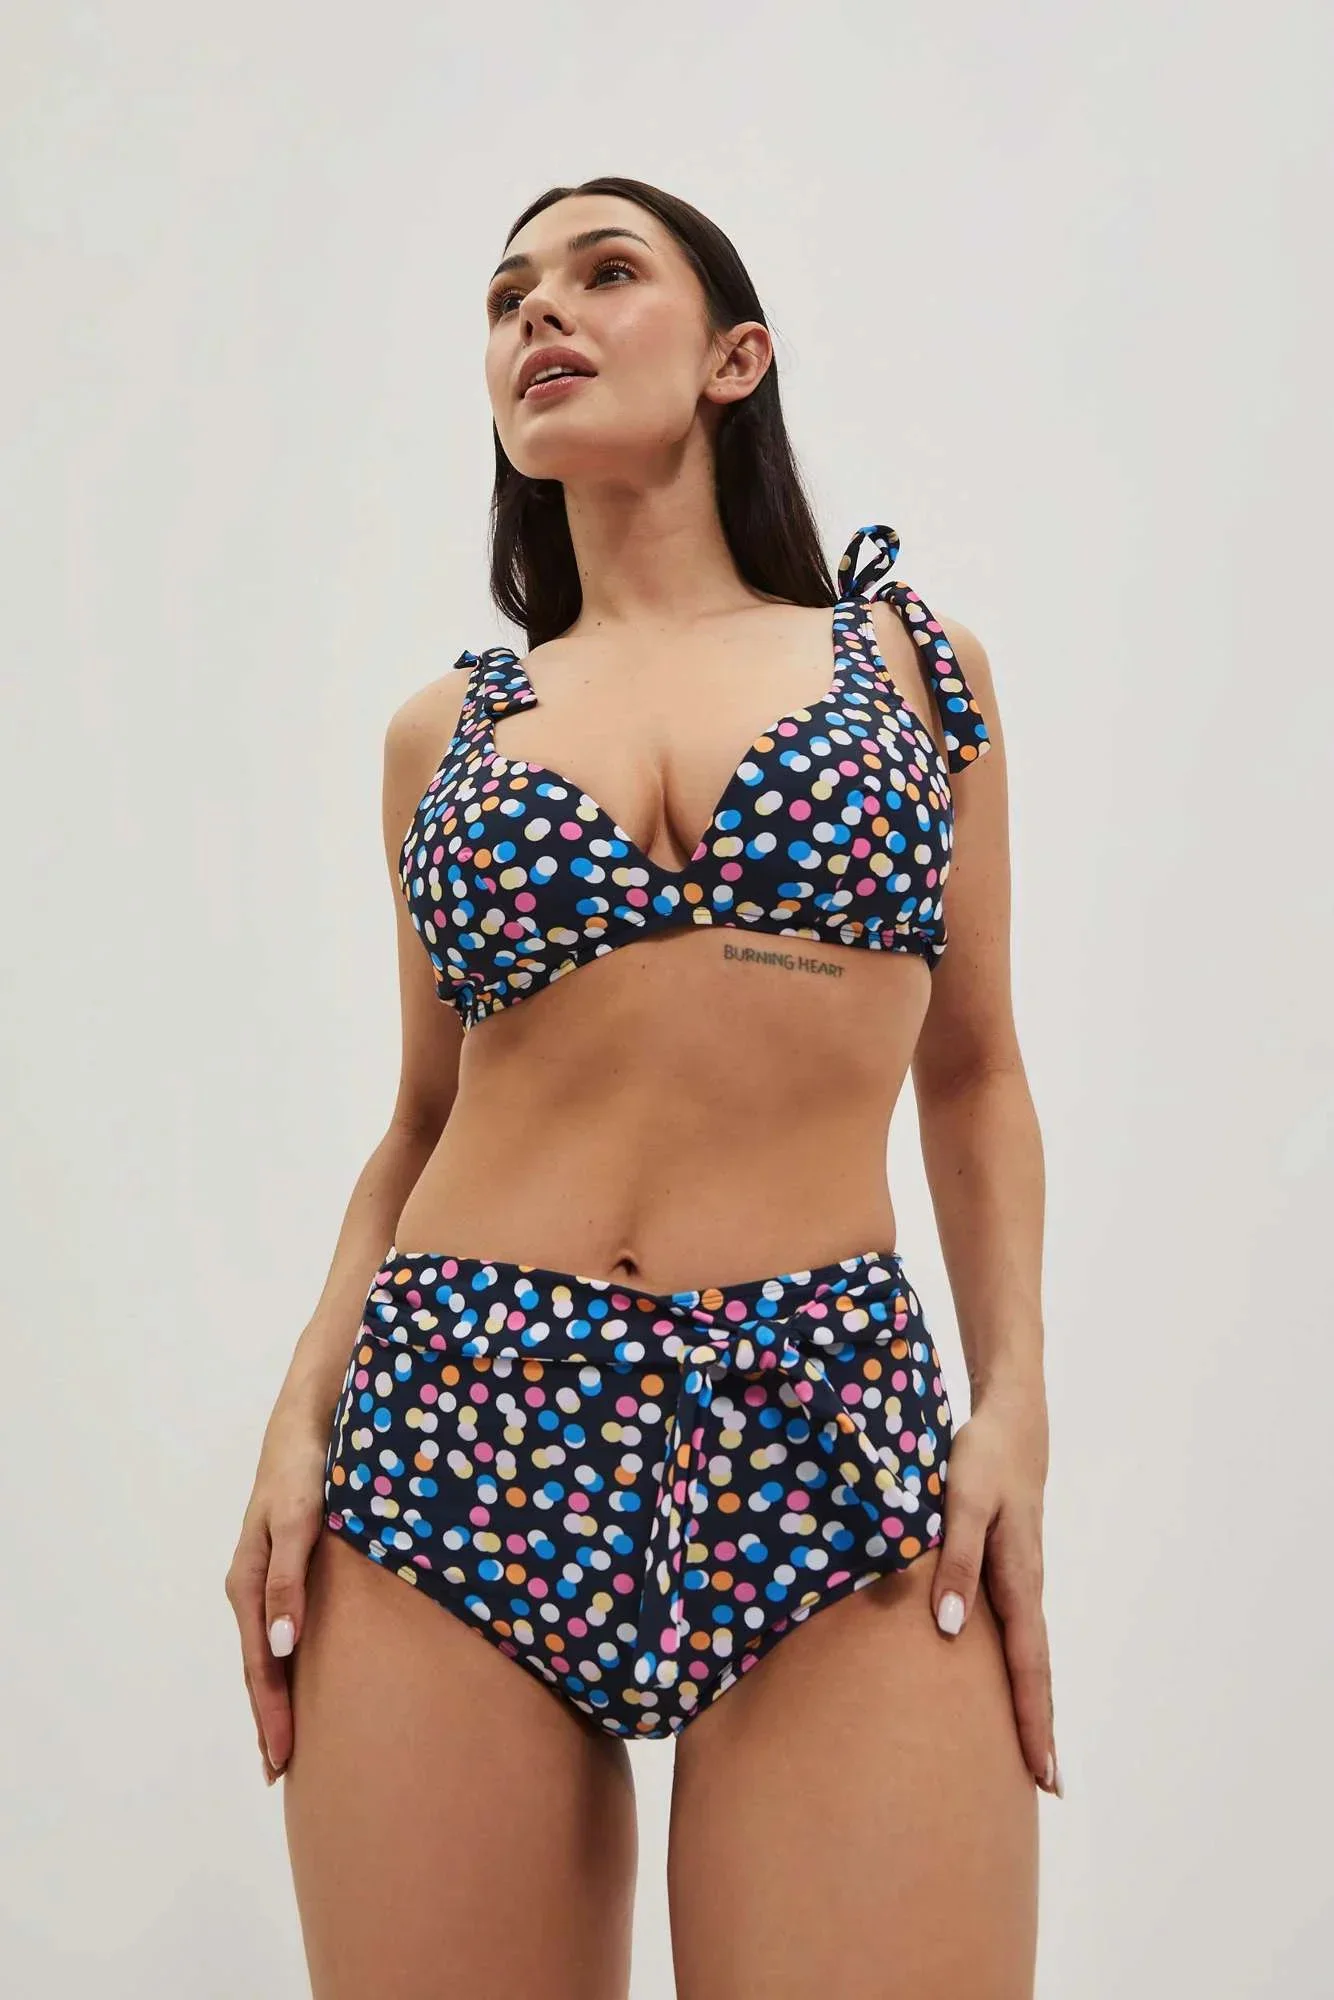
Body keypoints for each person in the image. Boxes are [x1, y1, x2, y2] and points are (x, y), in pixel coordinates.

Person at [226, 174, 1055, 1999]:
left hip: (823, 1422)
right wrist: (301, 1414)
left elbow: (977, 1070)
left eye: (605, 274)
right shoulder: (449, 733)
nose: (541, 311)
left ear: (734, 358)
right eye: (507, 294)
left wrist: (1013, 1408)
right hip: (456, 1415)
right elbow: (423, 1118)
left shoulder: (914, 671)